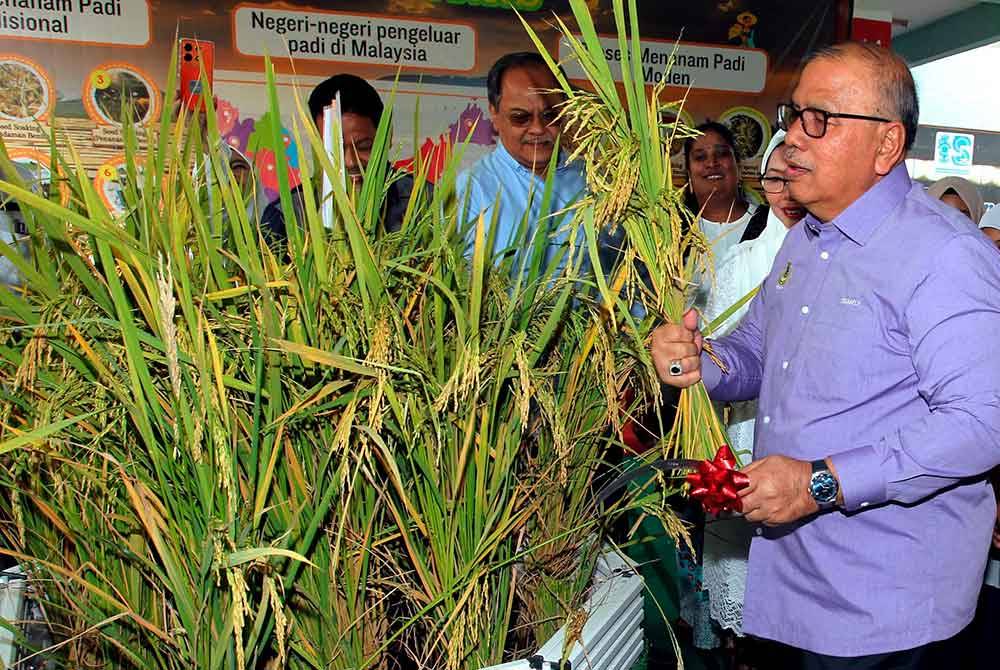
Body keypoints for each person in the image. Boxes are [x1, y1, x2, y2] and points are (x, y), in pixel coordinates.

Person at [651, 42, 1000, 669]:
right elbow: (755, 354)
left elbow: (981, 424)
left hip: (886, 607)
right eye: (794, 114)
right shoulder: (805, 242)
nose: (791, 137)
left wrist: (819, 483)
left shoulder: (945, 255)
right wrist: (701, 359)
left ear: (886, 145)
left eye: (821, 119)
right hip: (792, 588)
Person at [700, 130, 804, 666]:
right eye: (776, 180)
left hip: (805, 436)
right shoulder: (741, 262)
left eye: (797, 178)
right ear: (762, 184)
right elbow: (719, 354)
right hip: (744, 426)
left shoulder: (836, 256)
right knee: (745, 575)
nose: (788, 192)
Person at [455, 52, 585, 264]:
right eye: (520, 117)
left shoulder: (596, 182)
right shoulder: (470, 191)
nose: (538, 128)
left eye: (550, 115)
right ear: (494, 115)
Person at [259, 74, 416, 242]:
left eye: (363, 146)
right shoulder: (287, 214)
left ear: (388, 135)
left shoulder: (422, 201)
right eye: (333, 149)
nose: (350, 162)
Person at [684, 122, 758, 311]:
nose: (711, 163)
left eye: (722, 154)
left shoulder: (769, 223)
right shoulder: (675, 231)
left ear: (738, 166)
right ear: (689, 175)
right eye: (700, 157)